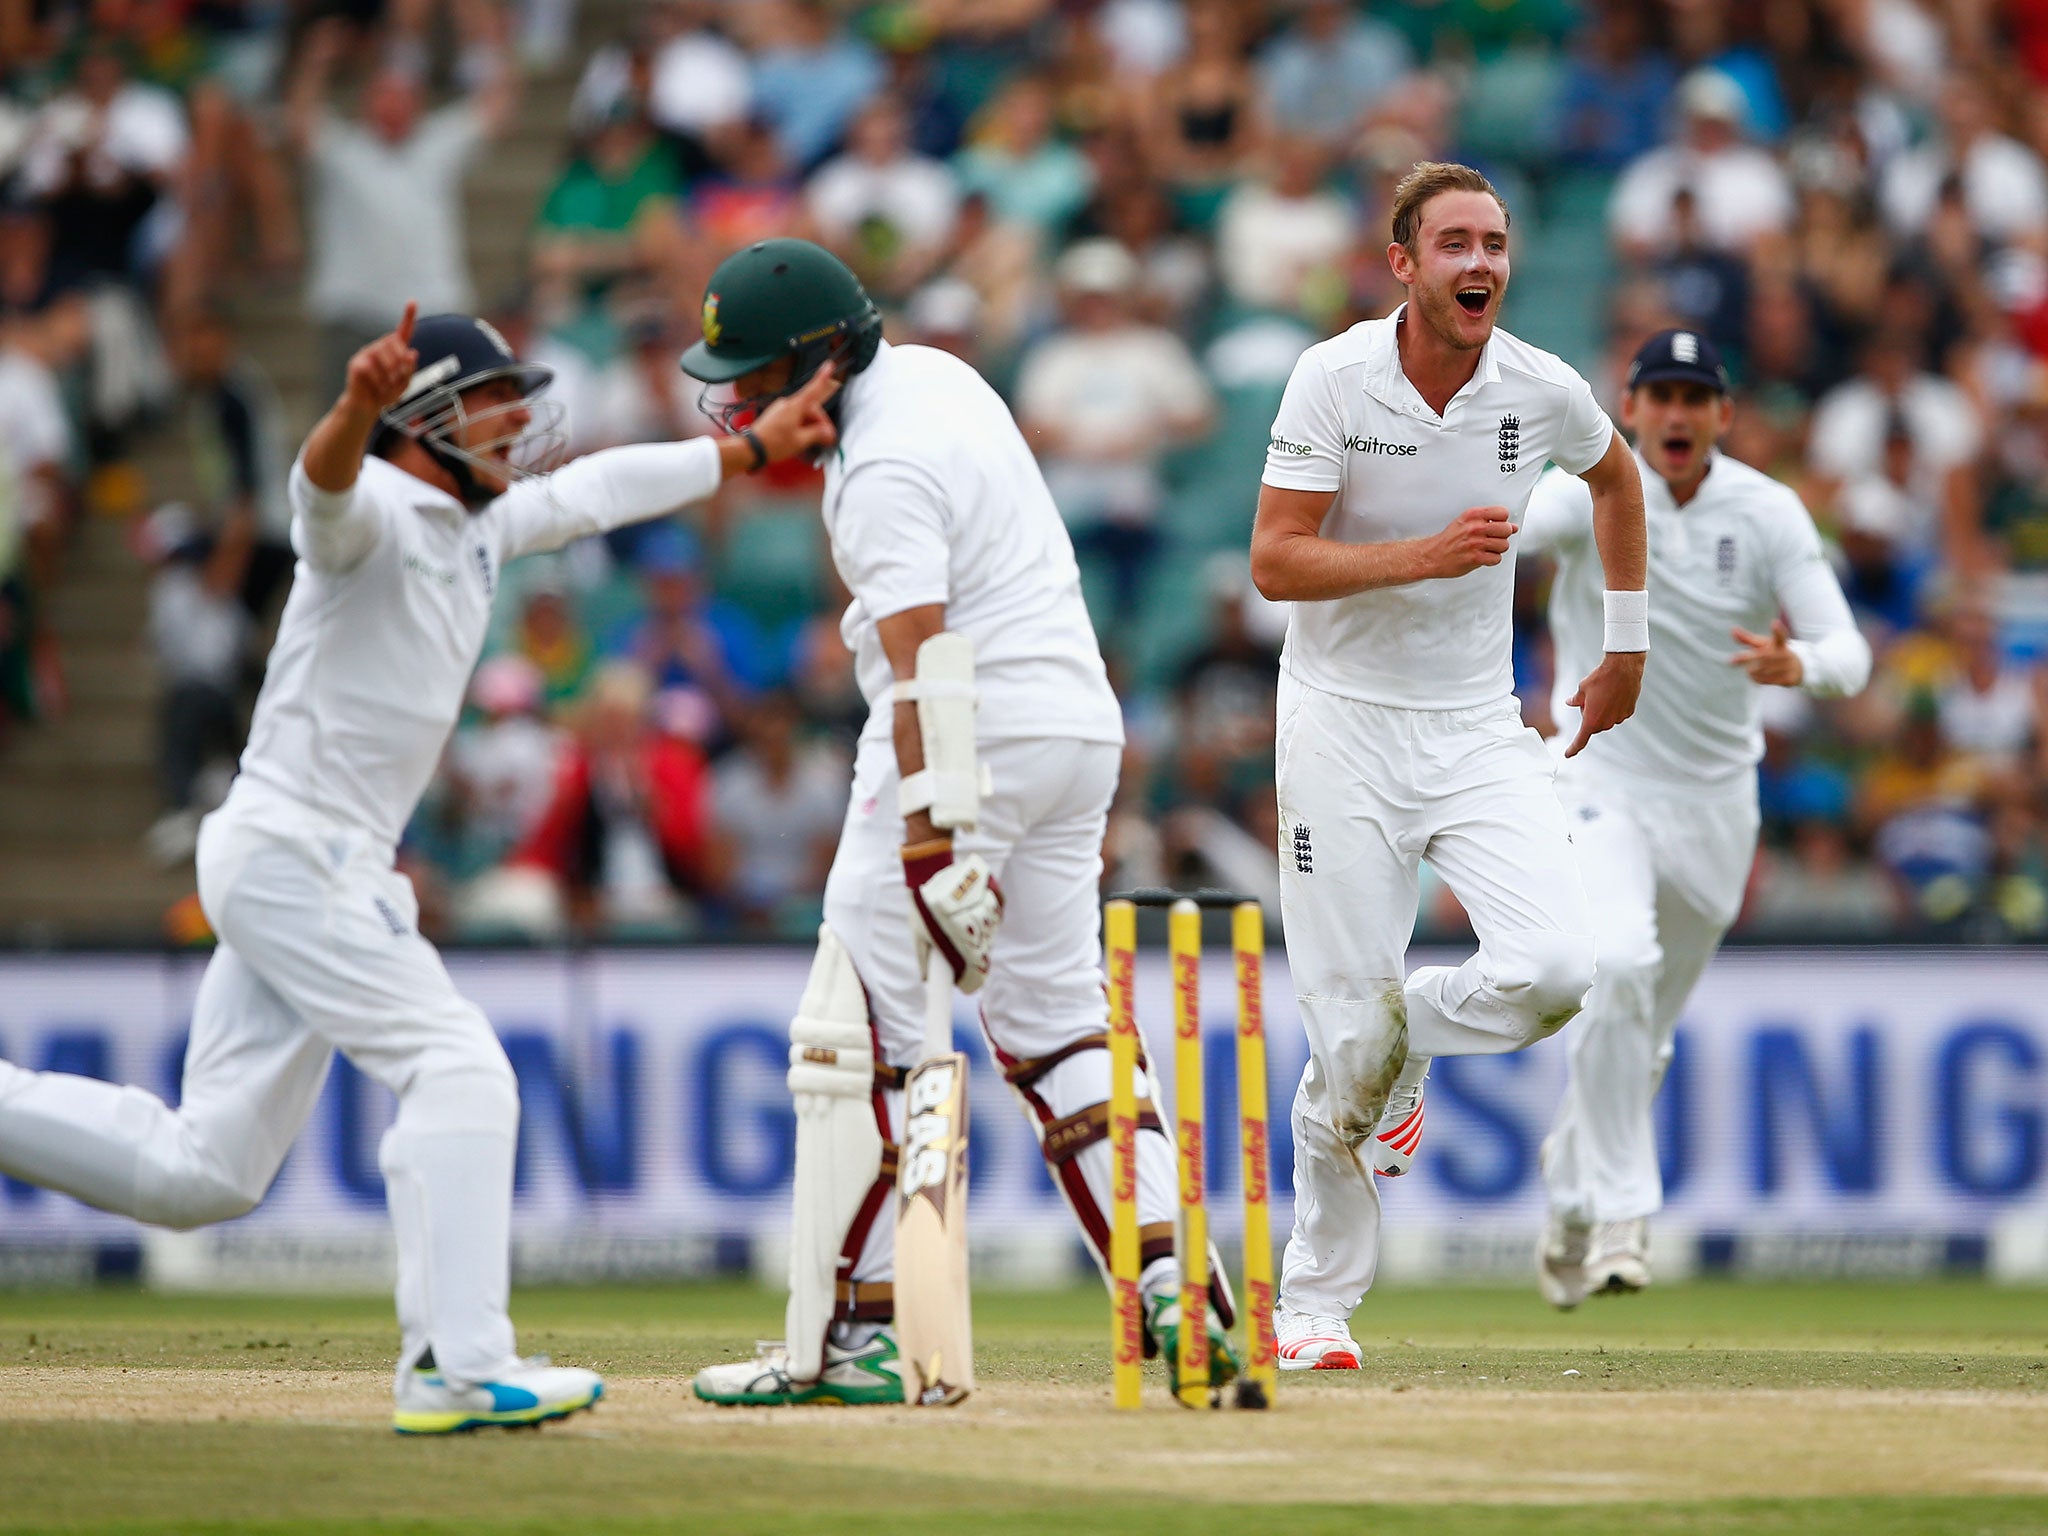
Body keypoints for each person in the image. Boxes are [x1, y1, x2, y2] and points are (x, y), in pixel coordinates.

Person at [0, 301, 840, 1433]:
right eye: (493, 405)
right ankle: (452, 1364)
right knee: (462, 1072)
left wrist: (746, 448)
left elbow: (597, 491)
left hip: (304, 861)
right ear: (425, 420)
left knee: (201, 1172)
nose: (515, 425)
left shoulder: (475, 526)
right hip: (299, 854)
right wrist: (353, 406)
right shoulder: (376, 515)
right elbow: (320, 493)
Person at [682, 238, 1229, 1408]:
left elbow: (923, 654)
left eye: (755, 373)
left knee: (852, 1034)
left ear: (823, 360)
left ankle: (854, 1340)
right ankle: (1179, 1287)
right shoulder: (939, 374)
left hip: (960, 733)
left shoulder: (879, 463)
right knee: (1055, 1024)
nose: (738, 399)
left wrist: (932, 834)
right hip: (1077, 728)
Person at [1248, 161, 1648, 1370]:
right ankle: (1313, 1308)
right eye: (1454, 244)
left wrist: (1622, 646)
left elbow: (1616, 476)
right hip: (1338, 727)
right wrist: (1418, 557)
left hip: (1476, 729)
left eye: (1495, 244)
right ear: (1403, 265)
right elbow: (1273, 559)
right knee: (1344, 1035)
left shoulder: (1537, 385)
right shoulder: (1333, 377)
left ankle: (1404, 1032)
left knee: (1557, 972)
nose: (1479, 264)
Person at [1519, 329, 1871, 1305]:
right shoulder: (1584, 490)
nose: (1673, 414)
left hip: (1715, 804)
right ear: (1626, 409)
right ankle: (1621, 1215)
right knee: (1615, 967)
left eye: (1693, 397)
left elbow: (1847, 649)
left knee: (1644, 1023)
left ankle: (1569, 1186)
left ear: (1723, 414)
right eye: (1657, 396)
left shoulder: (1764, 512)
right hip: (1598, 779)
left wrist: (1798, 665)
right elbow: (1497, 530)